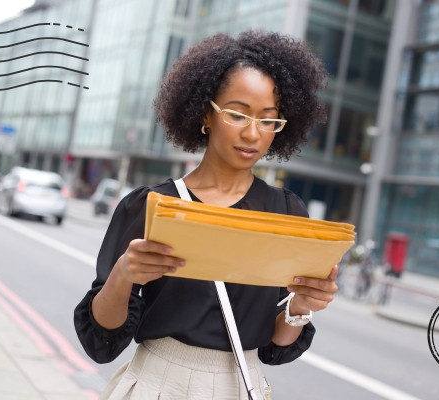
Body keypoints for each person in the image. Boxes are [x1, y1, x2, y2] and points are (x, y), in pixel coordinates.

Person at [74, 30, 337, 399]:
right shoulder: (150, 205)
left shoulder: (286, 213)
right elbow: (100, 341)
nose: (252, 133)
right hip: (157, 384)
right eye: (237, 114)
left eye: (268, 120)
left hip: (240, 385)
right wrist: (123, 274)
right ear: (205, 113)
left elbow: (276, 347)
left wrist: (301, 306)